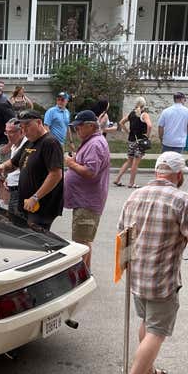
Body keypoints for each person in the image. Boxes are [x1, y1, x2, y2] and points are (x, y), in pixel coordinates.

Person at [115, 152, 188, 374]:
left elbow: (123, 235)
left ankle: (147, 372)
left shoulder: (134, 196)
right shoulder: (181, 199)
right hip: (162, 277)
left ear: (156, 172)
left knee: (147, 321)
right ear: (178, 174)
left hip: (137, 274)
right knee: (157, 330)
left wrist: (125, 267)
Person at [0, 109, 64, 231]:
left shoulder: (50, 143)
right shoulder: (30, 142)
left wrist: (35, 197)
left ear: (39, 122)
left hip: (41, 206)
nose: (24, 130)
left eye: (28, 125)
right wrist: (2, 167)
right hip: (26, 205)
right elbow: (14, 162)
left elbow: (56, 174)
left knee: (38, 242)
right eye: (22, 126)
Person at [64, 110, 110, 271]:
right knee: (84, 241)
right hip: (84, 200)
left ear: (91, 126)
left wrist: (71, 163)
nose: (77, 130)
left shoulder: (95, 144)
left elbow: (90, 171)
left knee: (80, 243)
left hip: (87, 202)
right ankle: (85, 272)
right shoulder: (92, 141)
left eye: (79, 127)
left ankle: (81, 275)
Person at [114, 97, 152, 189]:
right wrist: (147, 135)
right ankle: (131, 183)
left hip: (131, 140)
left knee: (129, 161)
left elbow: (121, 122)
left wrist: (127, 132)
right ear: (144, 104)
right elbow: (150, 125)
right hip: (140, 141)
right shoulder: (144, 114)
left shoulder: (131, 114)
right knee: (135, 163)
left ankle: (117, 179)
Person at [4, 119, 27, 218]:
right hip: (12, 190)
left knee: (17, 223)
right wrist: (7, 178)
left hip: (21, 191)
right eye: (7, 132)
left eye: (12, 132)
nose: (9, 135)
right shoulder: (14, 145)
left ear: (21, 131)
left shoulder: (26, 145)